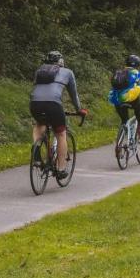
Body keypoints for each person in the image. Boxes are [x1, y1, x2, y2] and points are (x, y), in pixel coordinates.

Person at [29, 50, 83, 182]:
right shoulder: (67, 72)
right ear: (61, 62)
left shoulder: (39, 71)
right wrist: (79, 110)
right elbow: (73, 95)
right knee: (60, 134)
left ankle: (36, 150)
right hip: (53, 104)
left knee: (39, 125)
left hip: (35, 103)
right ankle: (61, 169)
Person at [110, 54, 140, 135]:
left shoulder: (120, 72)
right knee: (138, 103)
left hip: (116, 100)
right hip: (129, 99)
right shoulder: (137, 73)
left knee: (124, 121)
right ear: (137, 64)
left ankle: (121, 140)